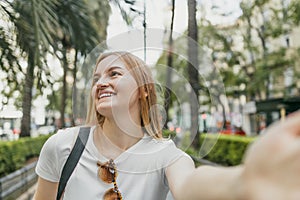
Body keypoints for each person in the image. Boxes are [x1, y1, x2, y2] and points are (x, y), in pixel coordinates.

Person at [33, 51, 300, 200]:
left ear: (143, 91)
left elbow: (190, 185)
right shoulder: (62, 146)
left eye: (114, 74)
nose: (101, 82)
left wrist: (243, 183)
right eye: (96, 78)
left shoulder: (165, 156)